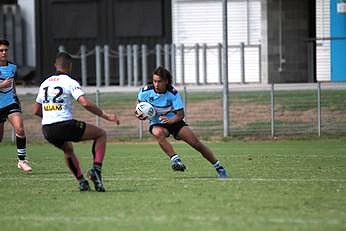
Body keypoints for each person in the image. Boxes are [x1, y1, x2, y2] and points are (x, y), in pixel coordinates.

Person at [34, 52, 120, 192]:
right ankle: (96, 170)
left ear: (55, 65)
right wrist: (106, 116)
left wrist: (51, 116)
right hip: (64, 125)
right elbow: (85, 103)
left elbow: (36, 110)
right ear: (70, 66)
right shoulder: (70, 82)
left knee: (68, 150)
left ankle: (82, 182)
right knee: (101, 134)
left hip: (48, 129)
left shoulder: (44, 83)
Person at [135, 66, 228, 178]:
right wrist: (140, 115)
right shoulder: (145, 92)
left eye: (159, 81)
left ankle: (219, 167)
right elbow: (139, 107)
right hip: (157, 123)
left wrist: (170, 121)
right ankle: (175, 160)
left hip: (174, 121)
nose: (156, 84)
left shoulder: (173, 93)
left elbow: (180, 115)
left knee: (197, 144)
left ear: (166, 81)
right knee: (158, 133)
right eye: (154, 81)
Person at [0, 39, 32, 172]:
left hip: (10, 102)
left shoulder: (12, 67)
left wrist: (16, 98)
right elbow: (4, 85)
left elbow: (12, 85)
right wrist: (2, 85)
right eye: (1, 50)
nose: (4, 52)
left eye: (6, 50)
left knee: (20, 129)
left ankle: (22, 161)